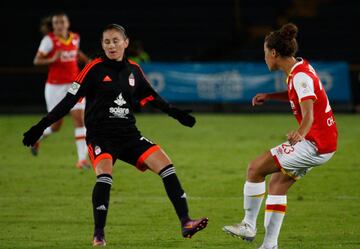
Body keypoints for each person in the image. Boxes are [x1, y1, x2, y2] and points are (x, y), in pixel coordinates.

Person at [23, 23, 208, 246]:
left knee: (166, 166)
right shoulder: (93, 68)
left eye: (116, 40)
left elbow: (151, 97)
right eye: (107, 42)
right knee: (105, 176)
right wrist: (40, 126)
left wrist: (176, 114)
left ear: (125, 42)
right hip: (101, 136)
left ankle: (186, 221)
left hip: (129, 135)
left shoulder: (134, 70)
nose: (111, 45)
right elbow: (69, 101)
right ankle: (99, 234)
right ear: (102, 45)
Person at [222, 23, 338, 249]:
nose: (264, 57)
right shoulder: (299, 68)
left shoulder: (300, 77)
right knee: (277, 185)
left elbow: (309, 115)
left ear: (274, 53)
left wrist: (300, 133)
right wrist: (271, 95)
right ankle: (269, 245)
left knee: (255, 169)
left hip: (314, 144)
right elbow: (302, 96)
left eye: (265, 53)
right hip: (324, 144)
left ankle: (248, 225)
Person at [33, 11, 90, 169]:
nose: (60, 25)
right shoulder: (49, 40)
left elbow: (76, 53)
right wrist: (52, 58)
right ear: (53, 25)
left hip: (74, 85)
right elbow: (37, 60)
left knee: (80, 120)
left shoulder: (75, 38)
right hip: (55, 86)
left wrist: (88, 62)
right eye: (56, 22)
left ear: (67, 23)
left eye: (62, 22)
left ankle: (81, 160)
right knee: (56, 125)